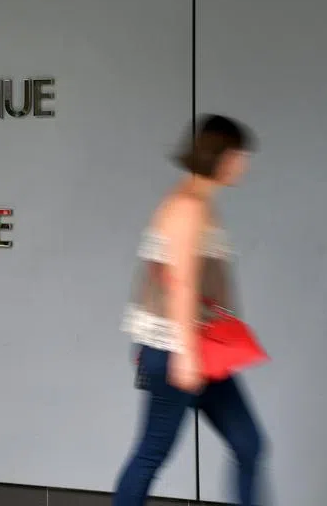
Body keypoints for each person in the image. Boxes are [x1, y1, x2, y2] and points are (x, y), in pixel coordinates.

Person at [113, 114, 264, 506]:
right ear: (222, 156)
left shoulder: (199, 204)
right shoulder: (187, 208)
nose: (244, 164)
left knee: (249, 443)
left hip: (197, 350)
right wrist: (185, 355)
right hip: (177, 351)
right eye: (240, 155)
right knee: (151, 453)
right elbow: (179, 284)